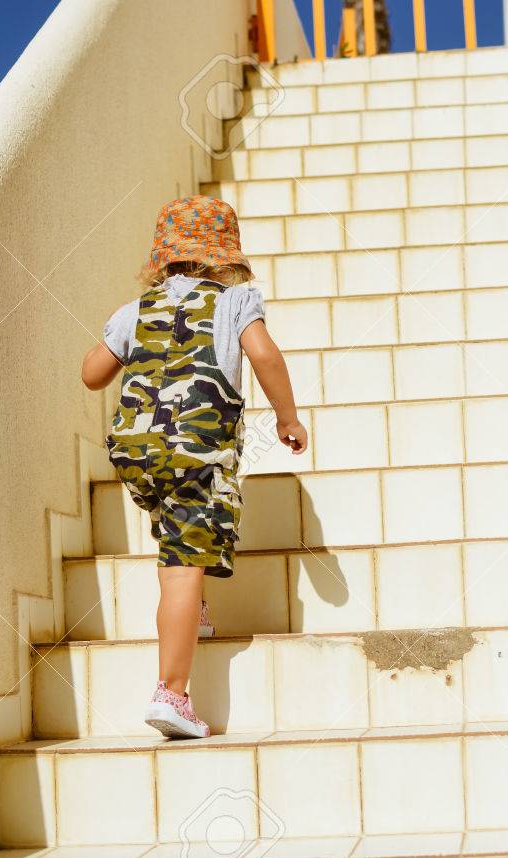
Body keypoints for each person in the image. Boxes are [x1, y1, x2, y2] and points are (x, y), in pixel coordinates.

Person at [80, 195, 308, 738]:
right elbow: (265, 355)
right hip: (195, 450)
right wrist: (287, 417)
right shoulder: (235, 301)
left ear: (164, 257)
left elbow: (92, 374)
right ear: (224, 257)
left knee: (175, 543)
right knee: (182, 565)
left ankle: (194, 611)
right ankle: (172, 693)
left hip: (135, 451)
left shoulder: (136, 309)